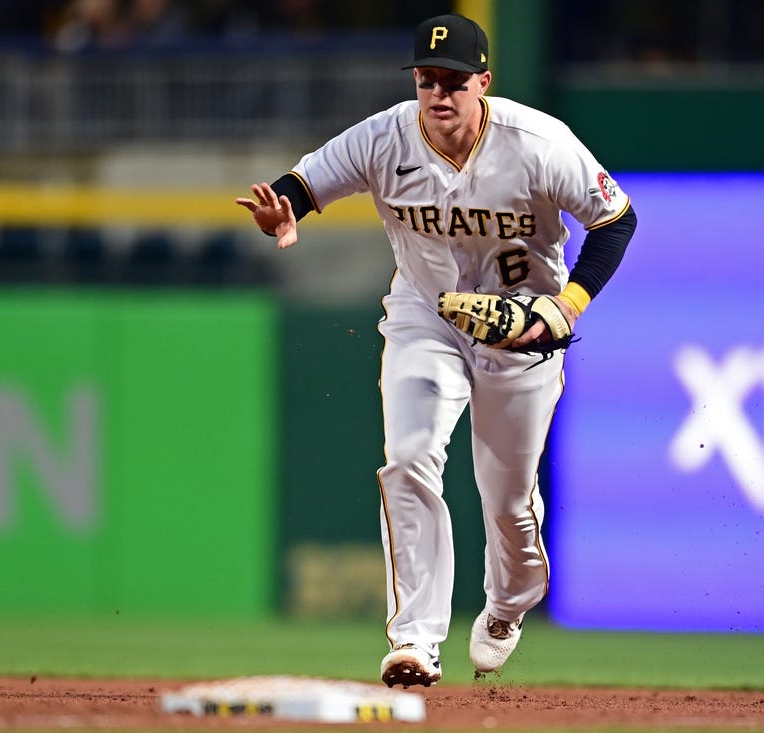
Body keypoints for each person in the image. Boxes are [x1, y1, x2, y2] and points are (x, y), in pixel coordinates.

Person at [236, 13, 637, 688]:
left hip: (519, 331)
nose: (439, 94)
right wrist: (286, 212)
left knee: (507, 500)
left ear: (484, 81)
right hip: (429, 317)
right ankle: (417, 641)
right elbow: (305, 184)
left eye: (454, 81)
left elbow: (616, 219)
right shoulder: (384, 137)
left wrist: (564, 307)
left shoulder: (537, 142)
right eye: (427, 80)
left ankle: (509, 605)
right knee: (410, 457)